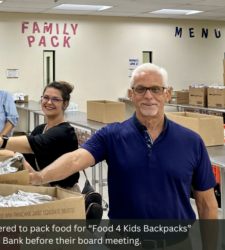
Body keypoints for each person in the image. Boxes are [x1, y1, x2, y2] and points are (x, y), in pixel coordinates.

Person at [25, 63, 218, 220]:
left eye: (156, 89)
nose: (148, 96)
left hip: (177, 242)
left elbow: (206, 204)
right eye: (140, 89)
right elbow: (76, 159)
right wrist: (40, 177)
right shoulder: (111, 135)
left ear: (166, 95)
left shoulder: (191, 141)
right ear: (131, 94)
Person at [0, 81, 80, 191]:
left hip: (64, 194)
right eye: (46, 97)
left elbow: (32, 143)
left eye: (55, 99)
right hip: (44, 191)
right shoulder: (40, 129)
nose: (49, 102)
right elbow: (20, 154)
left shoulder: (64, 132)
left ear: (65, 104)